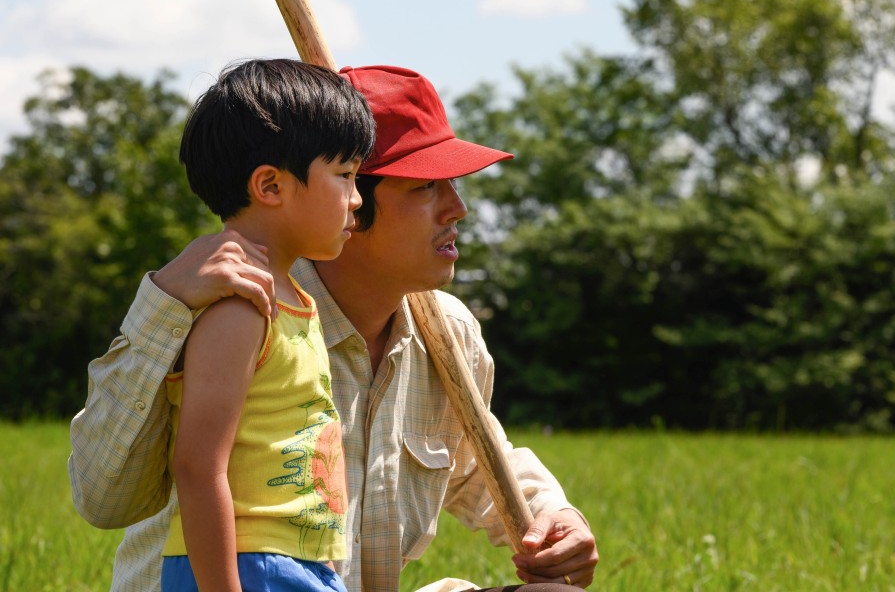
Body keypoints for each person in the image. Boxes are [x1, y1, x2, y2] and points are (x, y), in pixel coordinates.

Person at [69, 65, 599, 592]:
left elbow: (475, 461)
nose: (457, 208)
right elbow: (102, 496)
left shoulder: (449, 333)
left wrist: (554, 515)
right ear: (352, 197)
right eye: (425, 187)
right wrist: (162, 304)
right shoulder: (234, 304)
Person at [160, 58, 376, 591]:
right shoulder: (239, 309)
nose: (357, 198)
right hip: (248, 564)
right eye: (345, 175)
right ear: (271, 186)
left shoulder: (295, 300)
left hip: (296, 564)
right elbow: (196, 465)